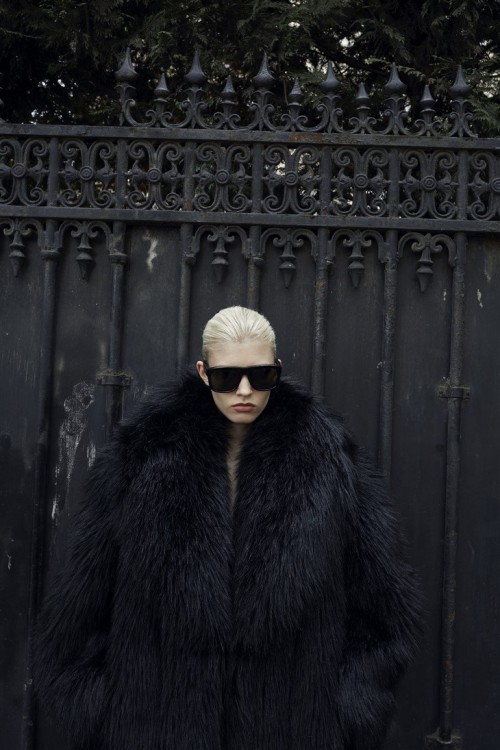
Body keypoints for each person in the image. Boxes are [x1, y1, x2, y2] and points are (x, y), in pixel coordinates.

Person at [35, 305, 422, 750]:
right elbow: (81, 600)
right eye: (226, 377)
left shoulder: (329, 460)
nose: (244, 390)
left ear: (278, 370)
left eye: (261, 376)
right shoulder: (143, 454)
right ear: (203, 372)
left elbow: (385, 606)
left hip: (290, 727)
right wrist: (104, 713)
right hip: (159, 726)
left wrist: (349, 709)